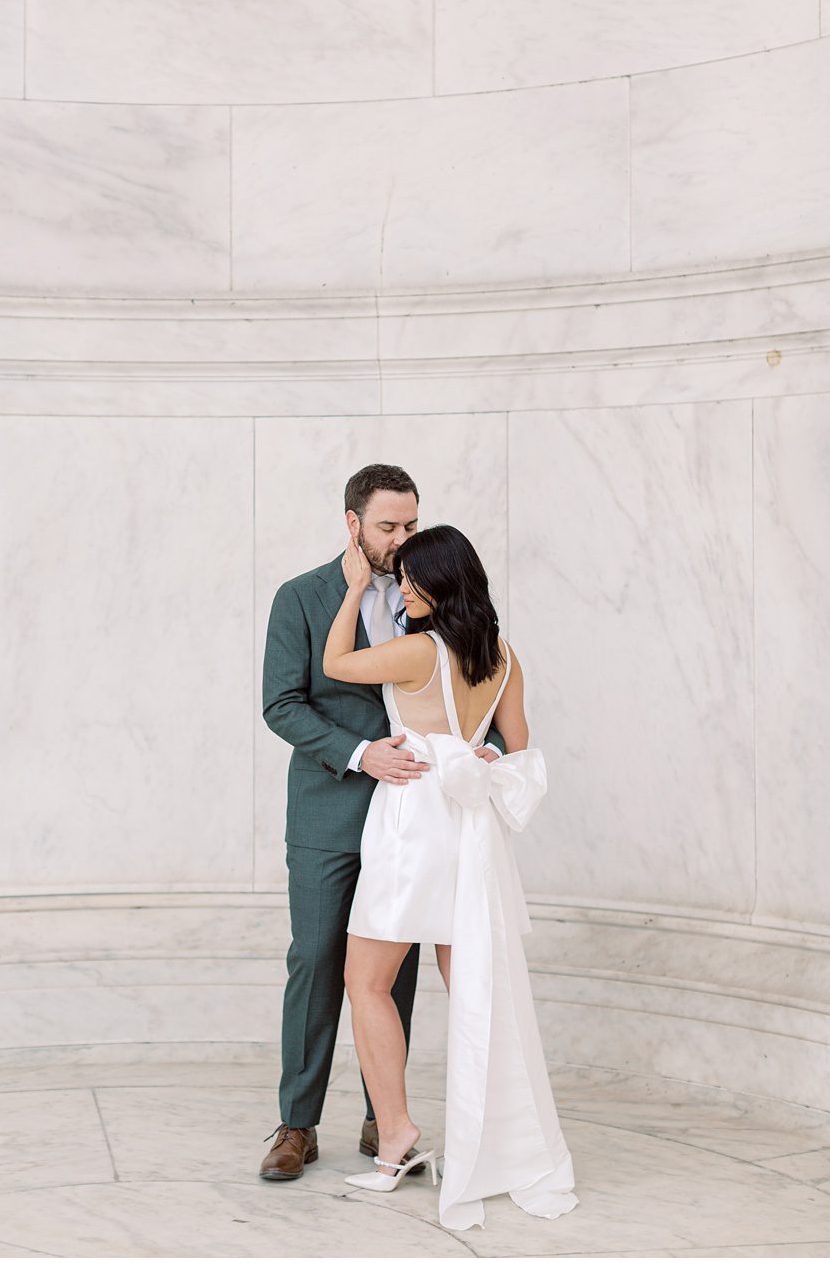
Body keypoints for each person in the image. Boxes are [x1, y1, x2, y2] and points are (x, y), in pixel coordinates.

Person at [323, 523, 576, 1228]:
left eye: (408, 576)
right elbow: (514, 748)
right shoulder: (501, 655)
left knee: (366, 978)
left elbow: (337, 662)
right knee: (474, 985)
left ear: (438, 578)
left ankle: (396, 1132)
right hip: (471, 827)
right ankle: (499, 1137)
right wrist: (479, 754)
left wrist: (353, 589)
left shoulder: (415, 649)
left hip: (413, 819)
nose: (400, 587)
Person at [257, 465, 506, 1181]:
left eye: (411, 525)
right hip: (330, 809)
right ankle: (297, 1124)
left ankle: (382, 1116)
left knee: (393, 968)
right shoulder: (300, 597)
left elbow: (480, 678)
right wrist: (362, 753)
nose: (401, 540)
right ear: (352, 523)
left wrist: (485, 745)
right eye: (388, 526)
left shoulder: (433, 592)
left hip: (419, 815)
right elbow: (282, 703)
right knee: (316, 958)